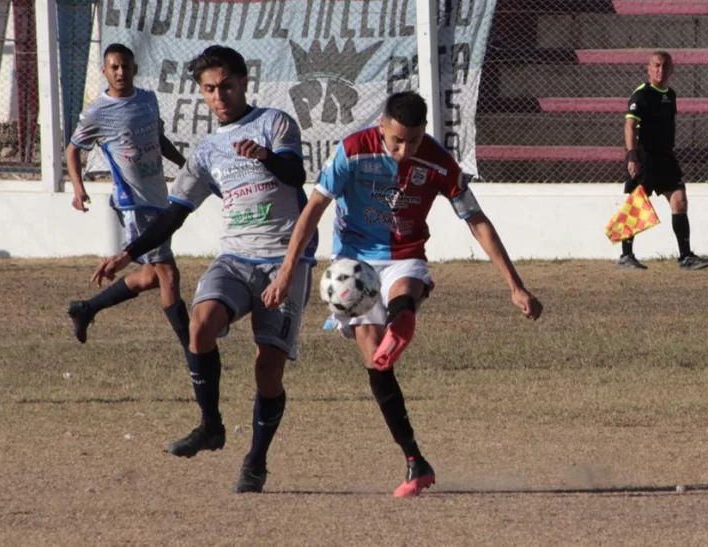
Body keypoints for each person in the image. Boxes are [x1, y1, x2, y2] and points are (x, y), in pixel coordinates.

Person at [262, 91, 543, 497]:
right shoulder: (352, 150)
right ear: (381, 125)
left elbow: (477, 221)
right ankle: (415, 459)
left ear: (424, 132)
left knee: (404, 287)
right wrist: (287, 271)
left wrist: (515, 285)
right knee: (377, 364)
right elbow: (313, 209)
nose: (402, 149)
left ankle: (402, 319)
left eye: (412, 141)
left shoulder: (439, 162)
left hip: (404, 254)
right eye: (395, 140)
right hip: (353, 261)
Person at [90, 45, 316, 494]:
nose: (219, 96)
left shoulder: (274, 123)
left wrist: (265, 156)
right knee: (200, 325)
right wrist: (126, 253)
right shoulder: (208, 150)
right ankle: (211, 426)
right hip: (234, 258)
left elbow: (295, 172)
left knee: (267, 370)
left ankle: (255, 461)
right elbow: (175, 214)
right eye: (209, 89)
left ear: (243, 81)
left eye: (226, 86)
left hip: (283, 260)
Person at [66, 43, 189, 350]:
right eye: (114, 67)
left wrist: (187, 167)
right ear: (105, 71)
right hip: (134, 203)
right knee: (169, 274)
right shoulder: (98, 112)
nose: (121, 72)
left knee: (150, 276)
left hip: (158, 197)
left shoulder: (148, 100)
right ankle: (194, 349)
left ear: (134, 68)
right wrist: (78, 187)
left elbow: (158, 139)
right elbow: (72, 149)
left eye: (126, 66)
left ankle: (87, 308)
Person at [618, 50, 708, 270]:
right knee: (637, 204)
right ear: (648, 68)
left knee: (680, 200)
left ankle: (685, 257)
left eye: (665, 66)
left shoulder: (671, 95)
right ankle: (626, 256)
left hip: (666, 157)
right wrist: (633, 156)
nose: (661, 70)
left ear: (672, 69)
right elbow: (629, 125)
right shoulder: (641, 94)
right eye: (656, 65)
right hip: (646, 158)